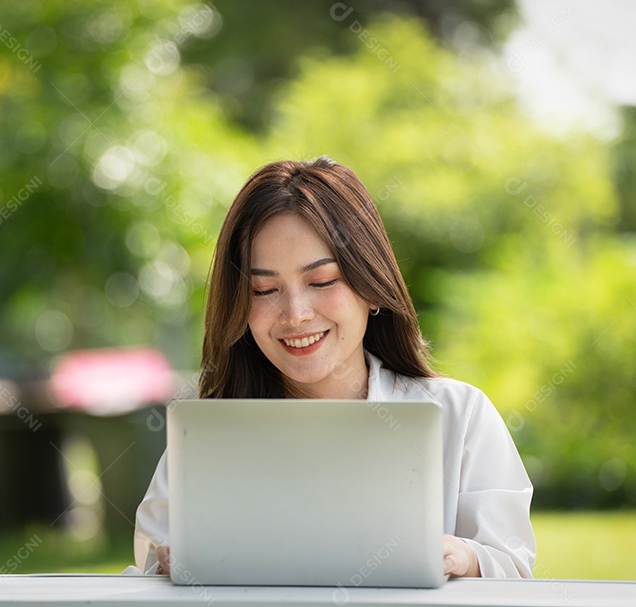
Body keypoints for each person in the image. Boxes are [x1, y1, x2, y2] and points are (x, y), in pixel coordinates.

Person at [134, 157, 536, 579]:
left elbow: (513, 566)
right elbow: (146, 571)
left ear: (371, 285)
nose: (296, 314)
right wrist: (168, 570)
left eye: (322, 281)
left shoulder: (458, 417)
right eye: (264, 289)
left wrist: (464, 557)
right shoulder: (206, 437)